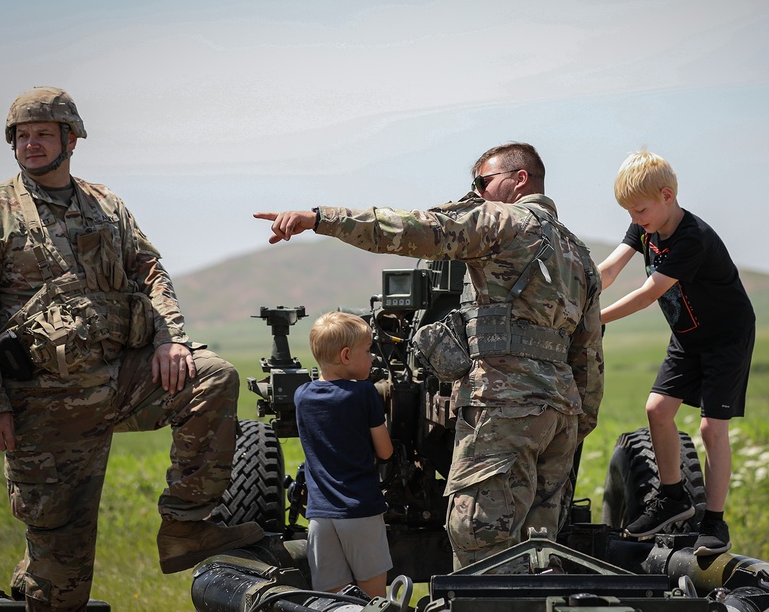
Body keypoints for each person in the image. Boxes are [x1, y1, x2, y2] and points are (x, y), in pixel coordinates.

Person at [0, 86, 263, 610]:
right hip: (45, 409)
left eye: (43, 134)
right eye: (22, 136)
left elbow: (149, 271)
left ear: (70, 139)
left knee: (210, 376)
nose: (31, 145)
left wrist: (171, 340)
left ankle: (186, 526)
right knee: (63, 586)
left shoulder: (107, 205)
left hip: (120, 381)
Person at [255, 142, 603, 569]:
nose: (476, 194)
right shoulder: (580, 255)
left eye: (482, 183)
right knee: (538, 551)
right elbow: (589, 356)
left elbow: (411, 229)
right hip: (560, 416)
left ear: (520, 179)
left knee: (480, 542)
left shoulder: (504, 221)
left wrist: (321, 219)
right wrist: (574, 422)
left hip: (503, 409)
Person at [596, 150, 755, 556]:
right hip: (687, 336)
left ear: (667, 195)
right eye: (629, 211)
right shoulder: (645, 225)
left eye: (639, 209)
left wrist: (594, 320)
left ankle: (714, 524)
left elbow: (649, 294)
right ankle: (672, 498)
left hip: (726, 339)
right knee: (657, 410)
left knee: (710, 429)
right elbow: (610, 270)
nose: (634, 218)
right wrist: (573, 293)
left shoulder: (692, 238)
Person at [296, 311, 395, 598]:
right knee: (374, 600)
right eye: (368, 351)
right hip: (359, 512)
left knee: (333, 601)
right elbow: (385, 451)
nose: (373, 357)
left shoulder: (302, 395)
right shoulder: (364, 394)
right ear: (346, 355)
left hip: (319, 518)